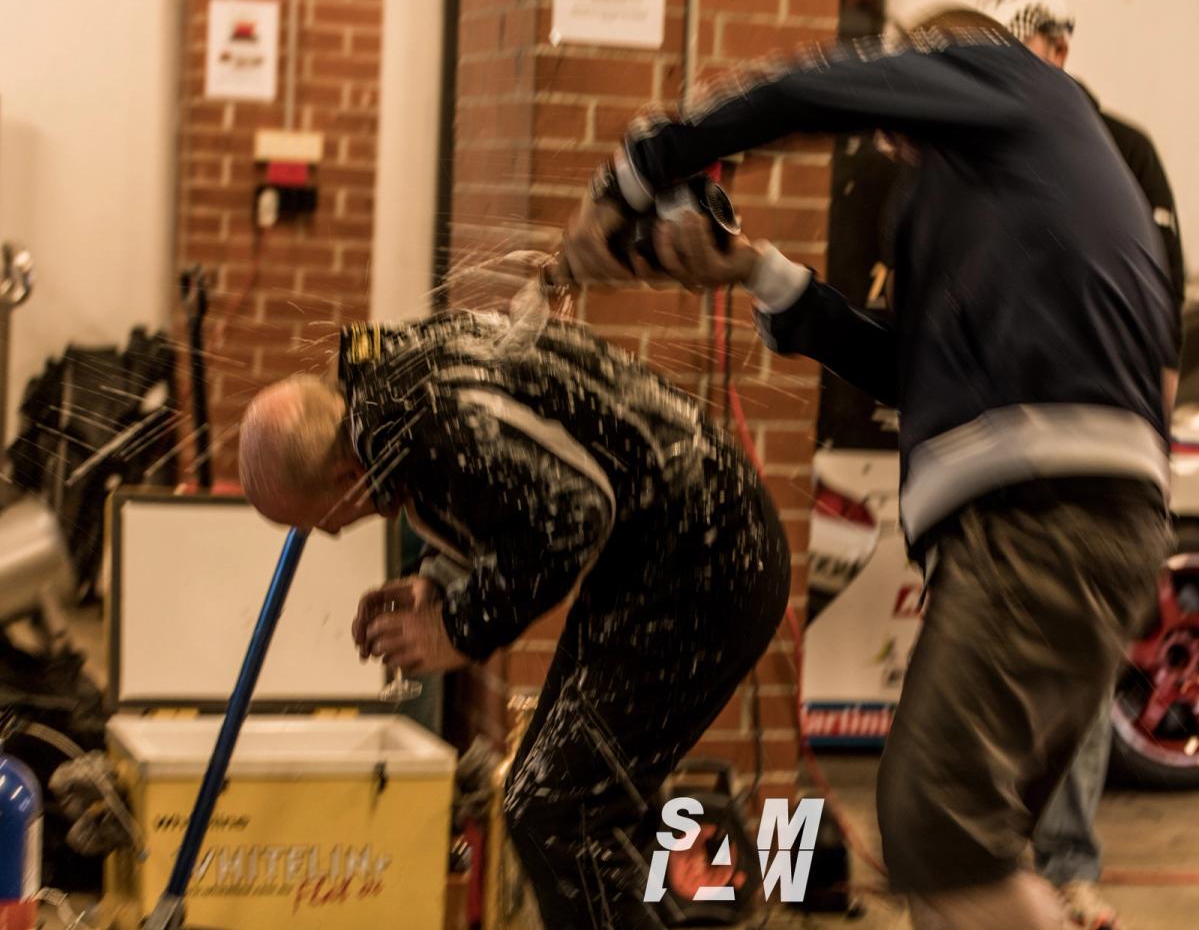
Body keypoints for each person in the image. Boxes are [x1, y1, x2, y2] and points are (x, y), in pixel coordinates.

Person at [561, 6, 1177, 930]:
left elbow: (814, 91)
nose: (889, 129)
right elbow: (910, 365)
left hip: (1045, 510)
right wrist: (759, 272)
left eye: (908, 81)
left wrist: (642, 166)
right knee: (956, 854)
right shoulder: (960, 197)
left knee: (934, 829)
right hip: (1051, 522)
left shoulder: (1017, 83)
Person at [237, 311, 790, 930]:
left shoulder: (425, 426)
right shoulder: (383, 392)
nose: (332, 534)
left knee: (558, 813)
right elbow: (508, 479)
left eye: (318, 521)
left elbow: (574, 514)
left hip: (712, 560)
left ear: (344, 478)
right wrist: (438, 581)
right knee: (553, 802)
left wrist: (458, 628)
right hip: (669, 552)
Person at [977, 0, 1186, 930]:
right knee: (975, 661)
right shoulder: (964, 152)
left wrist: (1153, 456)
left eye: (1011, 49)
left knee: (1083, 670)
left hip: (1098, 449)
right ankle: (978, 860)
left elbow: (1163, 317)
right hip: (989, 447)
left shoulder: (1125, 150)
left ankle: (1067, 864)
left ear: (1058, 50)